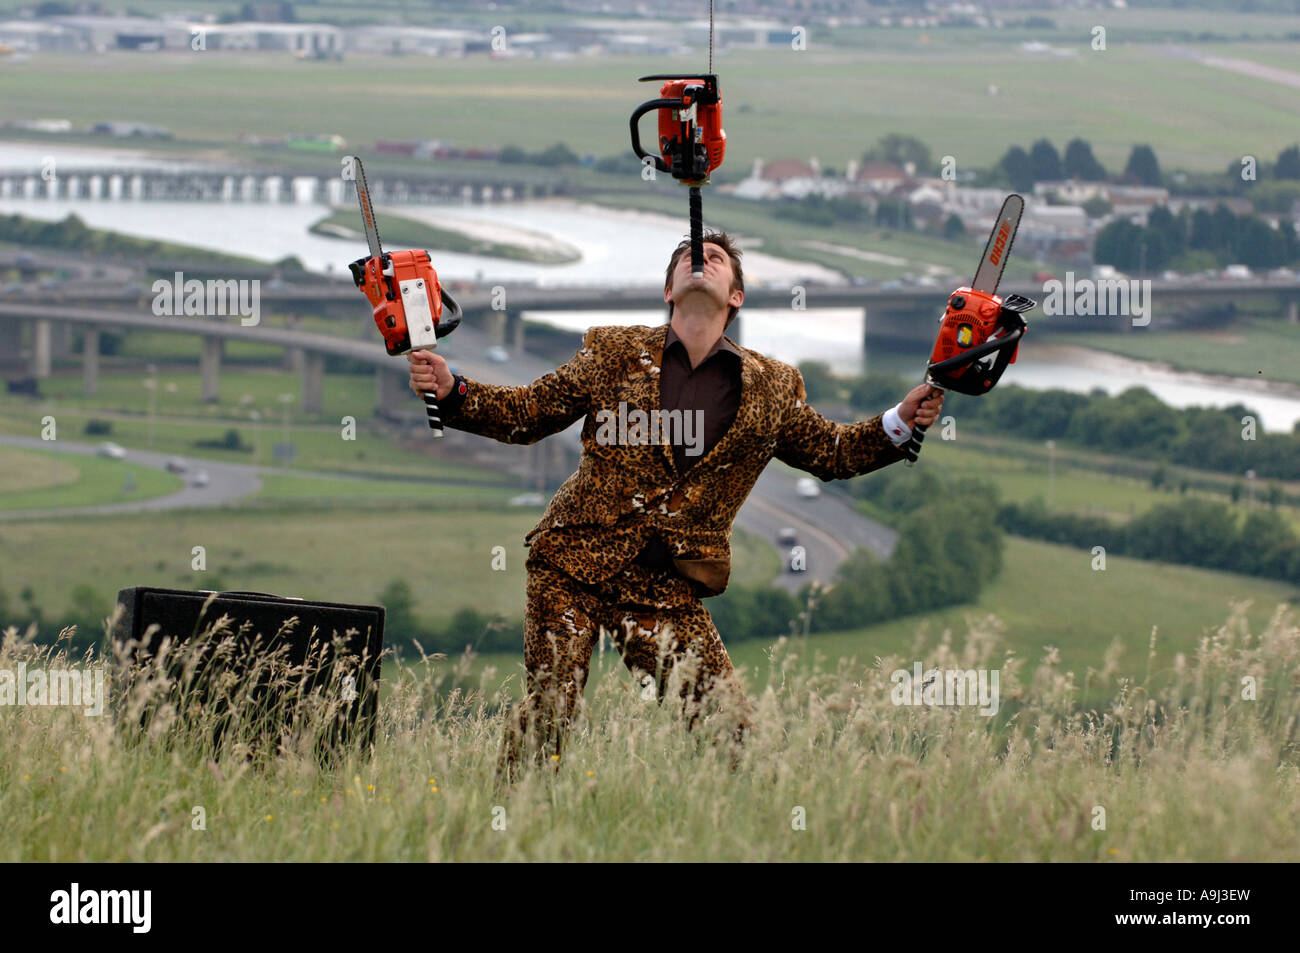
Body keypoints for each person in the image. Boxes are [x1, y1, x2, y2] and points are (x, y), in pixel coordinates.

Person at [408, 229, 943, 783]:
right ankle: (510, 819)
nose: (700, 262)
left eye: (713, 259)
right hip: (571, 564)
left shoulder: (774, 388)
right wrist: (453, 391)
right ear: (669, 289)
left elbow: (834, 452)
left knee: (730, 732)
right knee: (551, 712)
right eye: (688, 257)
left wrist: (900, 419)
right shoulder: (611, 352)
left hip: (666, 586)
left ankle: (734, 831)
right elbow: (527, 414)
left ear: (736, 295)